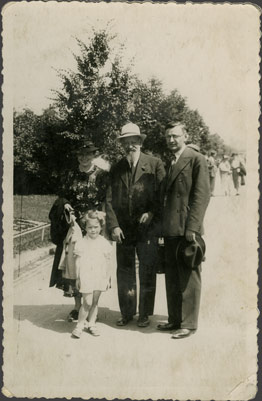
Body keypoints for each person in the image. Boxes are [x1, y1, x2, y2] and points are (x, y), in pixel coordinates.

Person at [106, 122, 165, 327]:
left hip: (147, 228)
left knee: (147, 270)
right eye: (126, 142)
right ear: (122, 144)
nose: (130, 146)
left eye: (134, 142)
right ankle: (127, 312)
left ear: (140, 142)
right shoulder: (117, 167)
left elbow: (162, 196)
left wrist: (151, 213)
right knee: (124, 270)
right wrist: (114, 226)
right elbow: (109, 199)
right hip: (124, 229)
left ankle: (144, 314)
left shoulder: (155, 164)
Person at [157, 121, 210, 339]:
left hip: (186, 228)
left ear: (185, 136)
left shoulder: (196, 159)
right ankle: (174, 320)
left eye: (175, 136)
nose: (171, 140)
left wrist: (193, 227)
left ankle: (188, 323)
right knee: (172, 277)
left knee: (189, 278)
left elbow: (201, 196)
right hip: (170, 228)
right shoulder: (171, 161)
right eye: (168, 136)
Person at [49, 139, 110, 322]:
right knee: (75, 267)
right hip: (74, 227)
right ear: (78, 156)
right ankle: (77, 307)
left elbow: (108, 199)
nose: (84, 157)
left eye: (88, 154)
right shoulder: (70, 175)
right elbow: (62, 196)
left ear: (94, 155)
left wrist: (101, 214)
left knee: (94, 267)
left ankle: (92, 308)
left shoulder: (102, 176)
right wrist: (67, 205)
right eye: (81, 154)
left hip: (94, 227)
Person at [71, 211, 113, 338]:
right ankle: (79, 325)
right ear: (85, 228)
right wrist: (78, 277)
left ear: (101, 227)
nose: (93, 230)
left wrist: (108, 277)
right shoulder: (81, 243)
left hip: (100, 275)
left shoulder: (104, 243)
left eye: (96, 227)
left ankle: (92, 324)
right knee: (87, 302)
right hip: (86, 275)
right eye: (90, 227)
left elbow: (108, 261)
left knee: (95, 302)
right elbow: (77, 262)